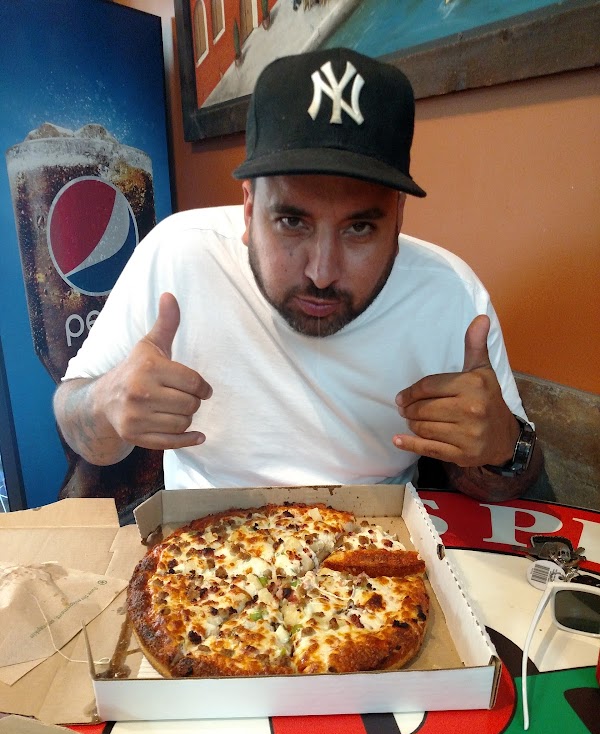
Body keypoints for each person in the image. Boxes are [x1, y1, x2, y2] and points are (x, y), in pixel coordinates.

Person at [53, 47, 542, 503]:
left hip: (379, 551)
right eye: (291, 222)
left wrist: (504, 445)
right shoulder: (178, 253)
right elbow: (73, 416)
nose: (322, 273)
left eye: (359, 228)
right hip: (200, 545)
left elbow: (509, 481)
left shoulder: (450, 293)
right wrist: (105, 402)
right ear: (249, 208)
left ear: (398, 217)